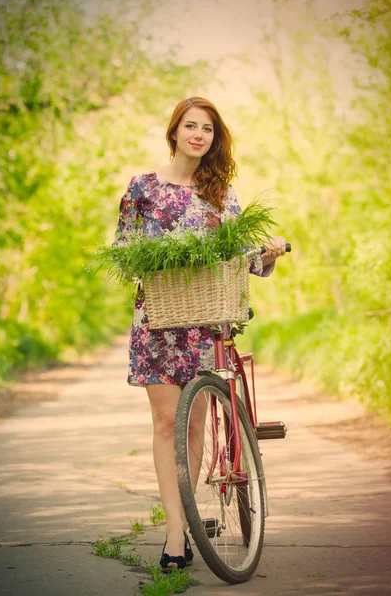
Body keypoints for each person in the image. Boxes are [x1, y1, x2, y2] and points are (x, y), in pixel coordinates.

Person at [113, 96, 286, 571]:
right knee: (166, 424)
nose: (198, 135)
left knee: (191, 424)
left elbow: (242, 254)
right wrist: (160, 257)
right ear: (174, 132)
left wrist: (270, 252)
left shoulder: (221, 192)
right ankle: (175, 534)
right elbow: (124, 250)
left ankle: (186, 520)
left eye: (207, 129)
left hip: (204, 321)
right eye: (190, 126)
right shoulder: (142, 188)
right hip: (159, 321)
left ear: (214, 138)